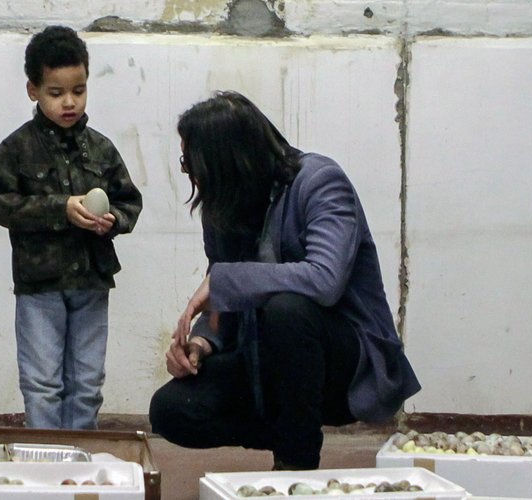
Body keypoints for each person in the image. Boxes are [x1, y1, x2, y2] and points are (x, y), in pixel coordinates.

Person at [149, 91, 419, 469]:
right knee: (170, 410)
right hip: (263, 358)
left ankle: (295, 464)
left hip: (343, 363)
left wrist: (224, 280)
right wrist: (201, 342)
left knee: (287, 309)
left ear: (229, 163)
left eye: (191, 162)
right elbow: (223, 303)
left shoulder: (320, 182)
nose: (188, 173)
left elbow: (325, 280)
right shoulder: (223, 207)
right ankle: (292, 429)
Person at [0, 25, 144, 430]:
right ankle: (46, 466)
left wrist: (113, 221)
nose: (69, 102)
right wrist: (61, 208)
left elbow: (130, 201)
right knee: (42, 384)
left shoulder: (102, 148)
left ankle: (79, 464)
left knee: (87, 383)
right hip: (40, 285)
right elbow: (3, 205)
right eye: (56, 93)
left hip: (92, 281)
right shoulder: (16, 148)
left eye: (79, 90)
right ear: (32, 90)